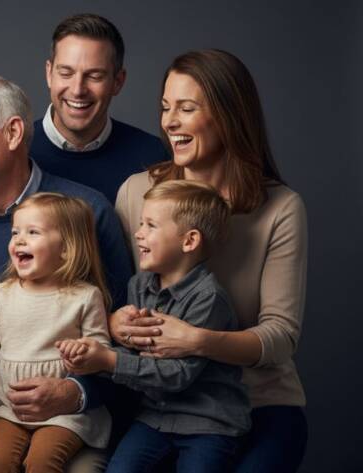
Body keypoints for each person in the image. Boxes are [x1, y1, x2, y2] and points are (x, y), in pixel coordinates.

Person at [0, 75, 133, 473]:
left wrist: (74, 393)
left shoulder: (86, 211)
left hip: (74, 410)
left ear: (13, 133)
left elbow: (122, 342)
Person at [112, 49, 308, 472]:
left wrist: (198, 341)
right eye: (166, 107)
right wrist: (116, 323)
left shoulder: (280, 207)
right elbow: (117, 299)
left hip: (259, 402)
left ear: (228, 116)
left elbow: (281, 336)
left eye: (186, 108)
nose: (169, 122)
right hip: (163, 403)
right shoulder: (136, 193)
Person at [63, 180, 251, 472]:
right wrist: (95, 355)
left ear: (189, 241)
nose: (138, 233)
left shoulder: (209, 298)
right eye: (140, 223)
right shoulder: (139, 285)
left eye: (150, 225)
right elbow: (135, 354)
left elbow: (177, 375)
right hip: (153, 417)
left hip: (208, 423)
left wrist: (109, 361)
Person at [0, 192, 113, 473]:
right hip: (10, 408)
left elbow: (100, 349)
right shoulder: (1, 294)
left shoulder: (85, 296)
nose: (19, 240)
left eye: (33, 232)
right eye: (15, 232)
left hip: (63, 413)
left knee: (42, 462)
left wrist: (83, 352)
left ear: (66, 248)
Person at [30, 13, 168, 204]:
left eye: (94, 76)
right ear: (49, 74)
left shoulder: (156, 158)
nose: (78, 90)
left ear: (118, 81)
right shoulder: (16, 154)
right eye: (66, 73)